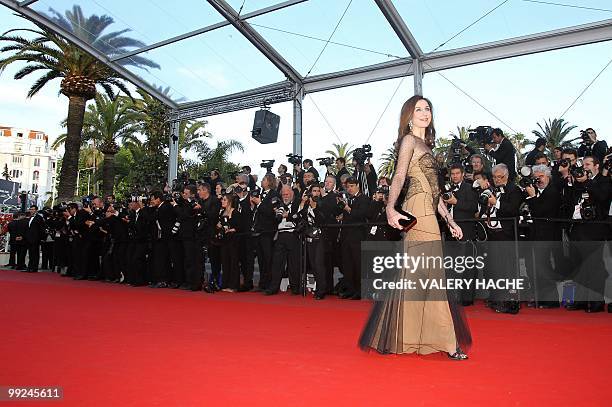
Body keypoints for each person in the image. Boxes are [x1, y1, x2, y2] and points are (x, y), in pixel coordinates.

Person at [359, 95, 471, 360]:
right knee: (431, 277)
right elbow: (399, 175)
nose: (424, 113)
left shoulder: (427, 145)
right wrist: (389, 207)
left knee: (416, 277)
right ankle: (448, 342)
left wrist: (450, 220)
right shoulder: (409, 141)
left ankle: (403, 336)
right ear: (408, 116)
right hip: (418, 212)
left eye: (428, 108)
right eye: (418, 109)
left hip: (428, 211)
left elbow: (435, 192)